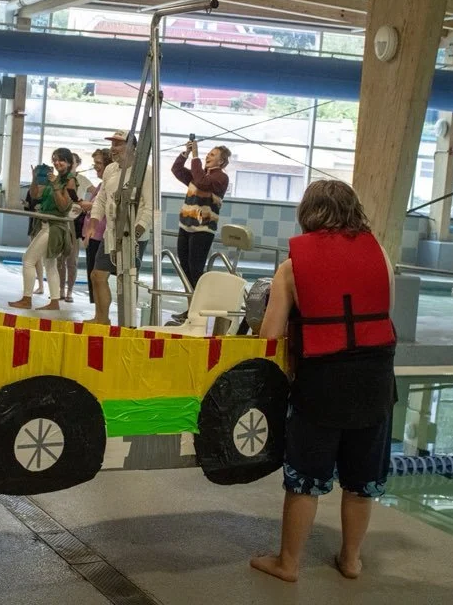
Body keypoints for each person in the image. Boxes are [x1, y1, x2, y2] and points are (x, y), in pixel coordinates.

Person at [253, 179, 396, 583]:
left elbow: (269, 335)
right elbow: (385, 312)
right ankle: (350, 560)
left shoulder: (291, 266)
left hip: (321, 384)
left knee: (304, 478)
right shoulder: (379, 253)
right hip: (376, 382)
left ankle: (288, 563)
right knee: (361, 480)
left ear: (307, 213)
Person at [86, 130, 152, 325]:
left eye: (118, 144)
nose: (113, 149)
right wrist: (93, 223)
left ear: (132, 147)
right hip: (112, 233)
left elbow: (150, 207)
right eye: (112, 144)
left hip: (134, 235)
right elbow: (101, 199)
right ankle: (102, 319)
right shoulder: (110, 170)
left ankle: (129, 321)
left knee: (128, 280)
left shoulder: (145, 173)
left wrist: (136, 233)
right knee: (97, 275)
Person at [169, 140, 230, 325]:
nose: (207, 157)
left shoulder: (220, 178)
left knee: (196, 269)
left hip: (203, 230)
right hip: (186, 226)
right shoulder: (199, 175)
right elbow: (177, 170)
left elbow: (203, 183)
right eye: (207, 154)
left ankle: (197, 309)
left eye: (212, 155)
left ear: (221, 162)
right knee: (185, 269)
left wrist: (195, 157)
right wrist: (185, 154)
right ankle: (192, 308)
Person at [9, 149, 75, 311]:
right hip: (47, 225)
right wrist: (34, 178)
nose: (57, 163)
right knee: (50, 264)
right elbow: (35, 195)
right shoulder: (56, 179)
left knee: (28, 259)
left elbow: (64, 205)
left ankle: (27, 298)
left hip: (54, 227)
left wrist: (55, 185)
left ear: (69, 162)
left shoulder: (69, 180)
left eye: (61, 160)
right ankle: (54, 302)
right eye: (55, 160)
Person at [57, 152, 95, 303]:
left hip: (74, 221)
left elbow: (97, 193)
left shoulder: (83, 180)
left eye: (72, 162)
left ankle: (70, 291)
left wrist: (86, 206)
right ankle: (60, 289)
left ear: (77, 163)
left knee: (72, 259)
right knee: (60, 258)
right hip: (60, 219)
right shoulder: (60, 179)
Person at [82, 148, 110, 304]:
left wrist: (87, 205)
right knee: (94, 276)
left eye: (99, 163)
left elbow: (99, 207)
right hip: (93, 234)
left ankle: (102, 315)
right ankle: (99, 314)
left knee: (98, 276)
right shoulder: (101, 185)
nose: (95, 166)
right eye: (95, 163)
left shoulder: (108, 186)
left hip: (100, 235)